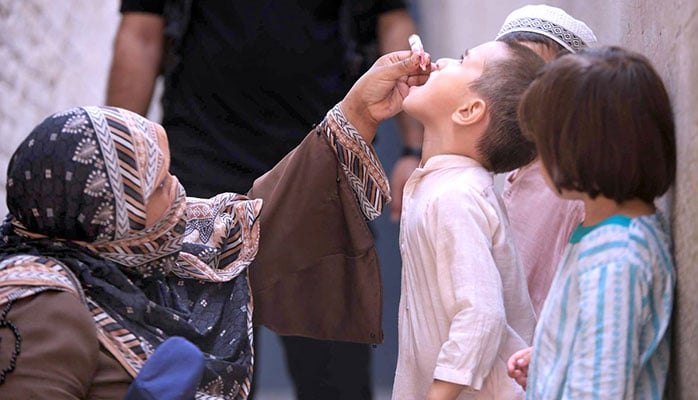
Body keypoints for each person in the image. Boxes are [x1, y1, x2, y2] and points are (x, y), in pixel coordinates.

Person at [0, 50, 430, 399]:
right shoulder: (40, 310)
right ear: (111, 215)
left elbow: (261, 222)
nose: (180, 190)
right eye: (160, 185)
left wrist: (359, 111)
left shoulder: (147, 249)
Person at [105, 1, 421, 398]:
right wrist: (119, 172)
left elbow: (390, 19)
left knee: (336, 381)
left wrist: (414, 148)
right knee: (203, 379)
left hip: (321, 166)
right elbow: (141, 33)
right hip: (204, 170)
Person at [507, 46, 676, 399]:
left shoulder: (615, 259)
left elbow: (600, 391)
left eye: (544, 145)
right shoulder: (608, 233)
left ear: (580, 149)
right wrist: (551, 361)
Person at [391, 40, 544, 400]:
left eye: (463, 60)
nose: (441, 62)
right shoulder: (445, 185)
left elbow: (481, 315)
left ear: (469, 110)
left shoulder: (456, 197)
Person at [495, 4, 597, 316]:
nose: (518, 90)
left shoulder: (570, 188)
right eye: (507, 71)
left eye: (533, 76)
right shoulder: (518, 167)